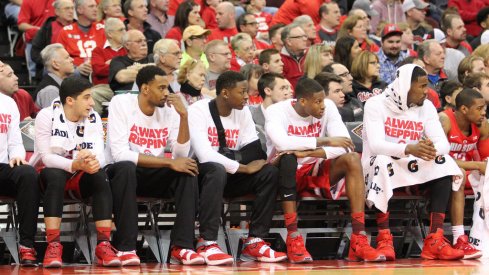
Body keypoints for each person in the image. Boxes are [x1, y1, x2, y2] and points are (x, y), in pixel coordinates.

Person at [265, 77, 385, 262]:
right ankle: (293, 237)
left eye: (323, 100)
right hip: (282, 173)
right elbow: (282, 144)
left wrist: (312, 151)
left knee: (352, 159)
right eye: (317, 102)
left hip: (314, 166)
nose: (322, 106)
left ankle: (358, 239)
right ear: (303, 101)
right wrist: (325, 140)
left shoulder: (328, 107)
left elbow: (346, 144)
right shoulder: (277, 111)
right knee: (288, 157)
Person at [362, 64, 465, 261]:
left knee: (444, 162)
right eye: (423, 86)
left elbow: (443, 144)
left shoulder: (426, 107)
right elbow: (376, 145)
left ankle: (435, 238)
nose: (427, 91)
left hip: (412, 161)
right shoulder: (375, 104)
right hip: (380, 162)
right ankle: (385, 237)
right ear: (405, 86)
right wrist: (409, 148)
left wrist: (427, 151)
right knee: (383, 161)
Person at [105, 65, 202, 266]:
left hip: (154, 172)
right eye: (161, 88)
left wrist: (184, 116)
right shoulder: (121, 103)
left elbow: (180, 154)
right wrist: (169, 162)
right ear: (145, 89)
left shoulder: (170, 110)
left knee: (188, 169)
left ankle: (182, 247)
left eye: (168, 88)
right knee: (125, 167)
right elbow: (120, 153)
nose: (166, 93)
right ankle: (126, 247)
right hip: (121, 174)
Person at [188, 71, 287, 265]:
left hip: (230, 176)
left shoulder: (243, 111)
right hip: (201, 178)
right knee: (215, 168)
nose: (246, 97)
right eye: (242, 92)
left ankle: (255, 241)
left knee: (269, 172)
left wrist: (232, 159)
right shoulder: (198, 110)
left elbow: (255, 152)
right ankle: (206, 241)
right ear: (225, 93)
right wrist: (243, 167)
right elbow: (204, 155)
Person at [30, 76, 120, 267]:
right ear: (70, 100)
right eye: (87, 97)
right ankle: (53, 245)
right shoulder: (47, 116)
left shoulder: (93, 117)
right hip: (47, 176)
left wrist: (93, 161)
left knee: (99, 175)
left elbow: (100, 152)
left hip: (79, 175)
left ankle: (104, 244)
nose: (92, 102)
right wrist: (76, 165)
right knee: (55, 174)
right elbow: (46, 157)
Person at [0, 62, 40, 267]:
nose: (15, 77)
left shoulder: (8, 104)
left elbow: (15, 142)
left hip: (3, 165)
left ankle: (27, 245)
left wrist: (17, 155)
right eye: (8, 73)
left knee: (28, 174)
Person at [438, 88, 486, 259]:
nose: (484, 113)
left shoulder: (482, 125)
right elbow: (438, 157)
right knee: (459, 173)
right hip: (439, 174)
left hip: (469, 175)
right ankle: (459, 238)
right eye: (479, 109)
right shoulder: (445, 120)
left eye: (484, 108)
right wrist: (474, 164)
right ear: (464, 109)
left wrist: (482, 164)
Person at [56, 0, 106, 78]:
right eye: (91, 6)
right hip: (75, 77)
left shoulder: (103, 29)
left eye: (96, 6)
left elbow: (111, 54)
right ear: (79, 10)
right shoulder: (65, 32)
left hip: (100, 74)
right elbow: (59, 59)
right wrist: (76, 69)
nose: (95, 9)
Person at [90, 17, 127, 114]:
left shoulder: (129, 48)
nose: (125, 32)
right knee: (93, 94)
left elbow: (135, 65)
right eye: (121, 30)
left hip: (127, 87)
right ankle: (94, 126)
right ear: (110, 34)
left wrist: (112, 63)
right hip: (105, 88)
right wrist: (122, 65)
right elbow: (99, 70)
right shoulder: (98, 51)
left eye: (125, 29)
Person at [30, 0, 75, 81]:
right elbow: (35, 52)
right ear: (57, 11)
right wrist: (50, 62)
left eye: (72, 8)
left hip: (75, 63)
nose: (71, 11)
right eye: (67, 8)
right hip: (52, 65)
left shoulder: (78, 25)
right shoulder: (48, 27)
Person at [250, 73, 291, 150]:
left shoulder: (291, 114)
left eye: (286, 88)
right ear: (268, 91)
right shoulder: (250, 116)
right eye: (282, 88)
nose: (286, 93)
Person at [35, 44, 75, 108]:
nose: (72, 60)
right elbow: (54, 117)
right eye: (67, 58)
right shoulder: (50, 91)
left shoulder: (59, 86)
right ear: (55, 64)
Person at [280, 23, 308, 89]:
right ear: (289, 41)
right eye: (300, 37)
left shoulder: (311, 54)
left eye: (305, 36)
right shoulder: (280, 59)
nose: (305, 39)